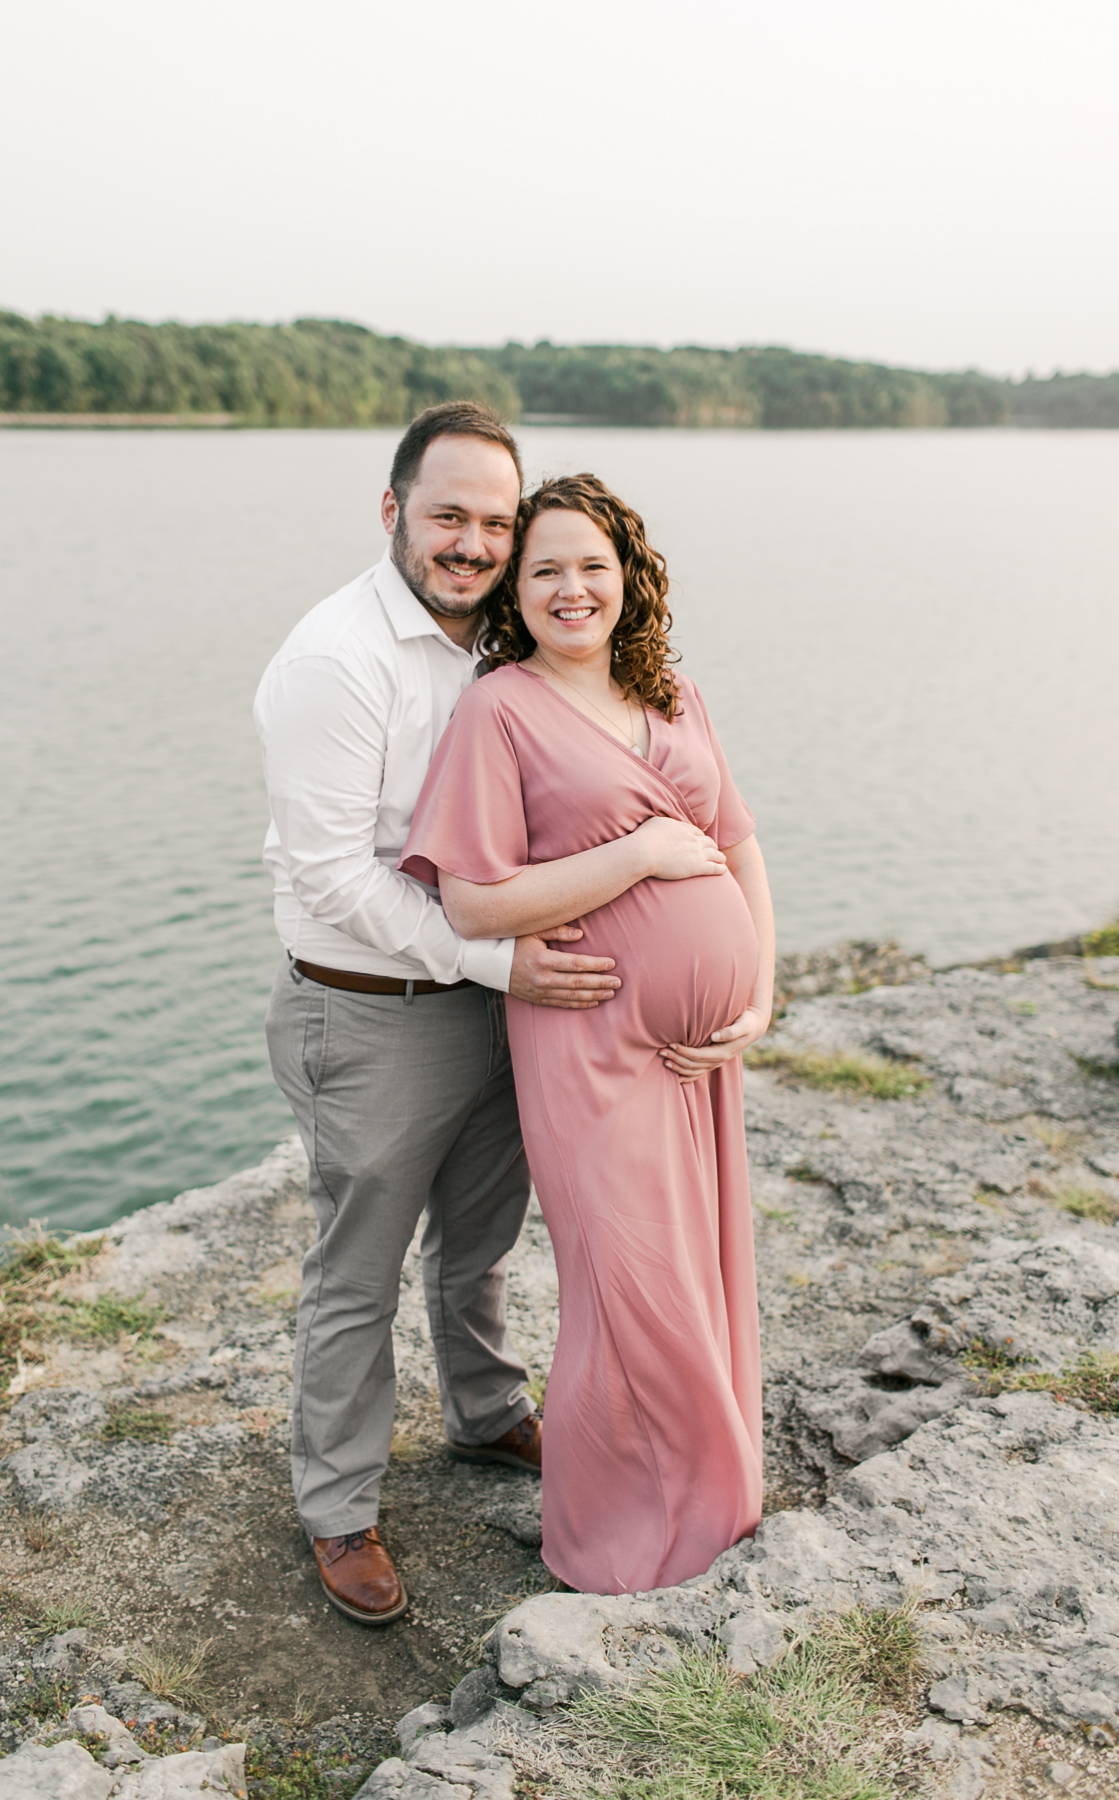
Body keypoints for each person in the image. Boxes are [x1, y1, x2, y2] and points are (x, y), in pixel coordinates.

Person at [253, 402, 624, 1626]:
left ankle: (483, 1413)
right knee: (355, 1274)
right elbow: (332, 877)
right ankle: (338, 1506)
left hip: (486, 1000)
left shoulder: (502, 641)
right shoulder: (334, 660)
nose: (471, 543)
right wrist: (498, 960)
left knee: (480, 1239)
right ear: (393, 512)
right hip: (369, 1012)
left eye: (494, 523)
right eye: (447, 516)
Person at [399, 472, 773, 1594]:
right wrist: (640, 858)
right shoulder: (499, 709)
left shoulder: (675, 691)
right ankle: (624, 1542)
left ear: (629, 577)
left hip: (700, 1058)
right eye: (546, 568)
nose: (572, 588)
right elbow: (471, 901)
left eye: (592, 566)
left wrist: (758, 994)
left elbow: (743, 844)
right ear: (519, 587)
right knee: (631, 1285)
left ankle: (714, 1500)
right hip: (586, 1042)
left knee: (703, 1273)